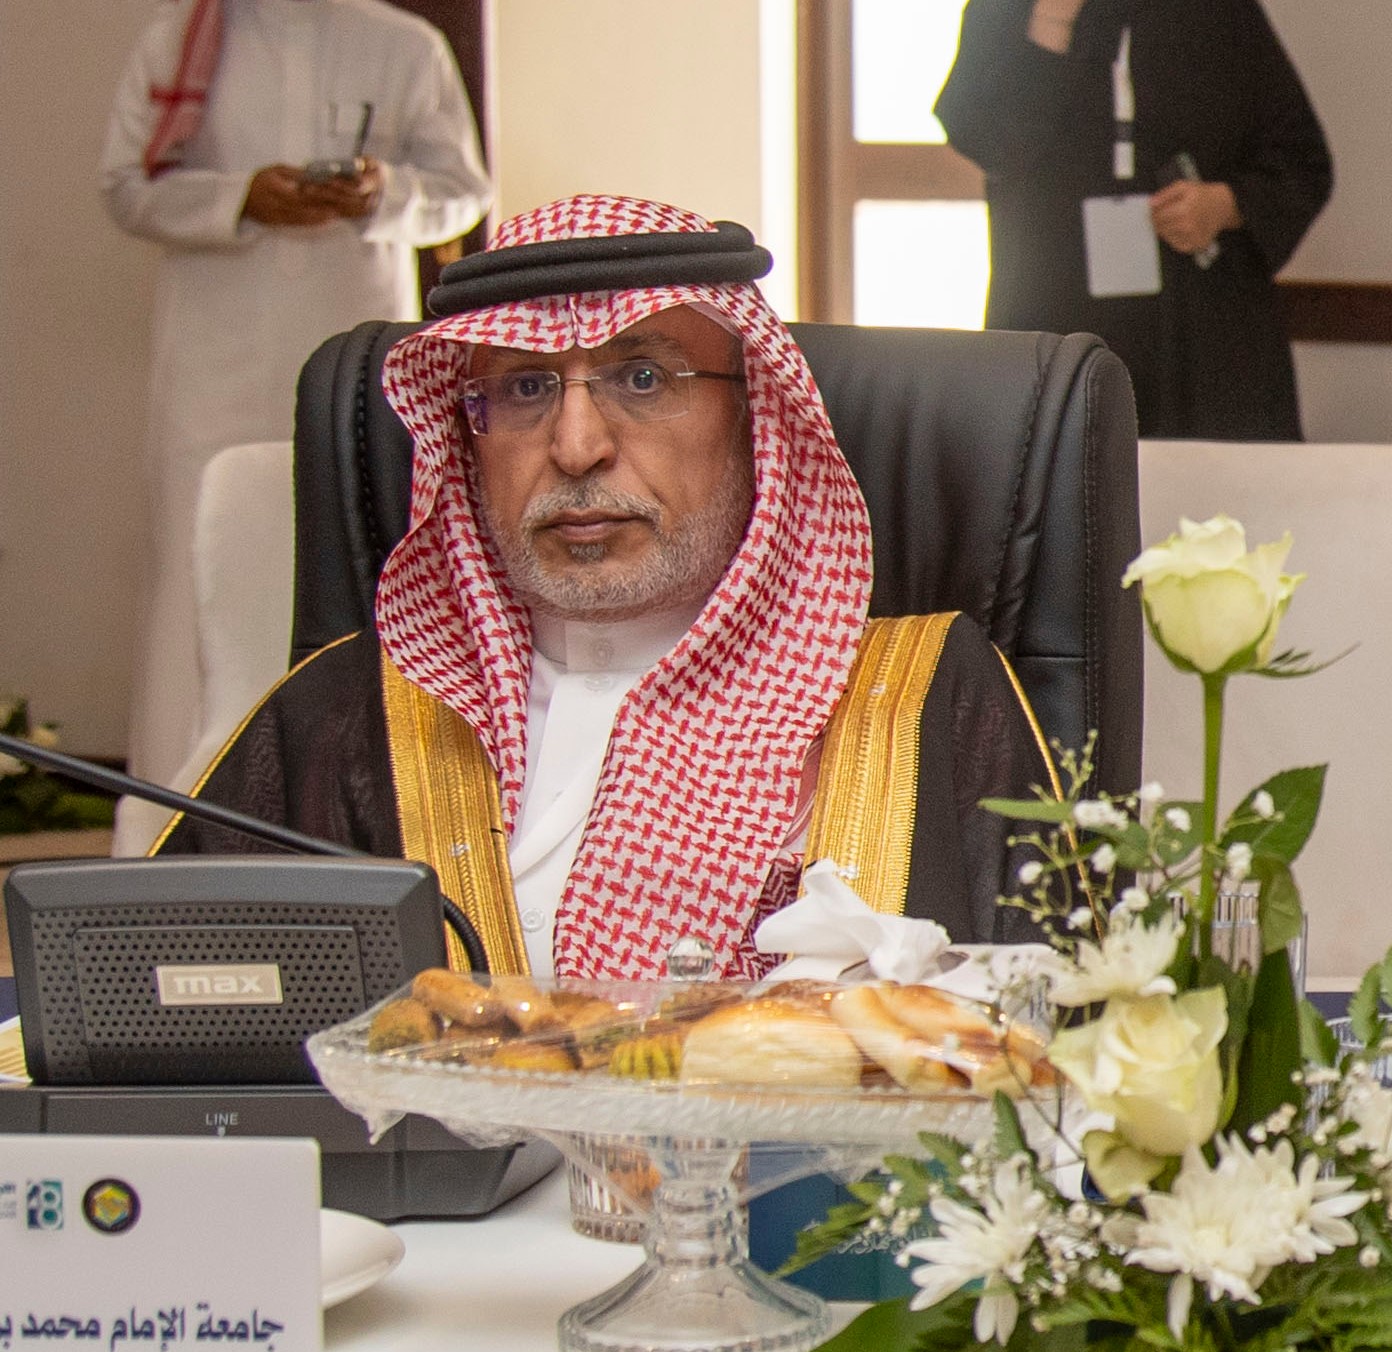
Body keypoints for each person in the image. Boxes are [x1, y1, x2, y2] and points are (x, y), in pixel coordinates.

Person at [161, 196, 1053, 982]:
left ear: (754, 420)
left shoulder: (919, 697)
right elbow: (159, 1013)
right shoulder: (344, 714)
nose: (577, 446)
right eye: (525, 387)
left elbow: (1046, 1037)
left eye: (643, 379)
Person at [101, 0, 490, 843]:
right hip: (212, 363)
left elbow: (462, 194)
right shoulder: (182, 39)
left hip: (348, 352)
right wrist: (241, 198)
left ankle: (361, 810)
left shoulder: (404, 45)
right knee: (195, 569)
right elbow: (126, 188)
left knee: (354, 552)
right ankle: (174, 821)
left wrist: (384, 192)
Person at [939, 0, 1331, 441]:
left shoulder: (1217, 11)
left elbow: (1301, 161)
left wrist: (1223, 205)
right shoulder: (1007, 10)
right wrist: (1051, 20)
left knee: (1210, 478)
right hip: (1054, 310)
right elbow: (983, 139)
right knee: (1058, 470)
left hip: (1199, 327)